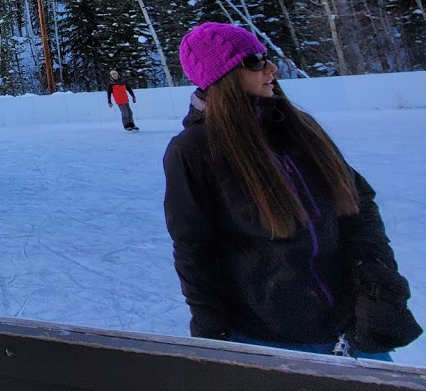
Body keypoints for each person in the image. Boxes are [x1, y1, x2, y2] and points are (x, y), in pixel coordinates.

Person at [163, 21, 421, 360]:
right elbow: (193, 249)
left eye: (265, 57)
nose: (271, 67)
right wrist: (213, 335)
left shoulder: (299, 127)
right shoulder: (194, 150)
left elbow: (357, 202)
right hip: (266, 338)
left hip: (351, 327)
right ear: (221, 76)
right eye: (254, 61)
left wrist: (373, 271)